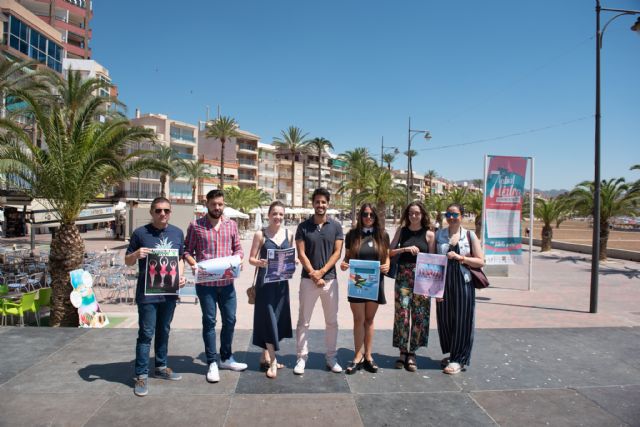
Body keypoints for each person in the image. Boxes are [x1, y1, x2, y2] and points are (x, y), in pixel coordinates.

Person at [184, 189, 247, 384]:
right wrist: (193, 264)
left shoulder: (231, 225)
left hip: (227, 284)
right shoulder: (196, 226)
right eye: (214, 204)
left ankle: (226, 357)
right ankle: (212, 361)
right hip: (206, 285)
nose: (217, 207)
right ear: (207, 204)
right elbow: (187, 250)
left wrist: (239, 260)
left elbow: (238, 249)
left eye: (220, 204)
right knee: (209, 322)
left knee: (230, 320)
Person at [125, 197, 186, 397]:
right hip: (147, 294)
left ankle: (161, 367)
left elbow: (180, 258)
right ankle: (141, 375)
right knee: (146, 334)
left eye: (166, 210)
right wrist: (136, 254)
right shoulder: (140, 234)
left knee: (164, 330)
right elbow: (127, 261)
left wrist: (181, 276)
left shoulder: (177, 233)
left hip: (168, 293)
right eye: (158, 210)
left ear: (170, 212)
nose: (162, 214)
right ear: (151, 212)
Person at [294, 188, 344, 375]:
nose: (320, 205)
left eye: (323, 202)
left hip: (330, 281)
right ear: (313, 203)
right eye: (317, 202)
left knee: (331, 322)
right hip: (308, 281)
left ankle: (331, 357)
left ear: (328, 204)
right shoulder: (303, 227)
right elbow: (301, 253)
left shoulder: (336, 226)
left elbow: (337, 253)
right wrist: (314, 274)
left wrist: (322, 272)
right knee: (303, 321)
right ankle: (301, 357)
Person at [340, 203, 390, 375]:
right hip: (358, 284)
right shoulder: (352, 235)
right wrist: (344, 264)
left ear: (376, 217)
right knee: (358, 320)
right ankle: (357, 355)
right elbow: (347, 257)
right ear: (360, 216)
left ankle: (368, 356)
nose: (368, 217)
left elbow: (387, 257)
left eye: (371, 215)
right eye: (365, 214)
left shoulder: (382, 235)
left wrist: (387, 266)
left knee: (369, 320)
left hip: (375, 284)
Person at [436, 203, 484, 375]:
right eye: (448, 214)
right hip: (444, 283)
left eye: (455, 214)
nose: (451, 217)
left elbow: (480, 261)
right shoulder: (439, 234)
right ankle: (452, 354)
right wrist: (434, 289)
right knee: (446, 319)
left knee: (463, 320)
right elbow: (433, 260)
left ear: (461, 216)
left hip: (463, 282)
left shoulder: (469, 236)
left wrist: (461, 257)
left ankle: (459, 359)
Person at [248, 201, 294, 379]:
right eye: (274, 213)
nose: (278, 217)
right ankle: (273, 361)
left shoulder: (289, 234)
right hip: (265, 284)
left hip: (281, 284)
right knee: (268, 319)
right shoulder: (260, 234)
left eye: (281, 214)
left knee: (278, 318)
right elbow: (251, 258)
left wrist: (293, 262)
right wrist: (259, 262)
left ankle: (264, 355)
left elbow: (290, 257)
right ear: (268, 215)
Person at [388, 201, 435, 372]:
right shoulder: (402, 231)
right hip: (404, 278)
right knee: (402, 314)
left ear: (422, 214)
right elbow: (390, 251)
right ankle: (402, 352)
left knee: (419, 315)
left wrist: (431, 287)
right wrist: (404, 249)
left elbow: (433, 261)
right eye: (410, 213)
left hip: (422, 279)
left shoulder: (430, 235)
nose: (413, 216)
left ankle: (412, 353)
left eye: (416, 213)